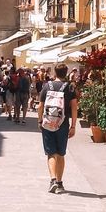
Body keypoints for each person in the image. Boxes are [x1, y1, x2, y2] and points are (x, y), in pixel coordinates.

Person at [38, 63, 78, 195]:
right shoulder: (70, 87)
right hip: (63, 124)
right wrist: (73, 126)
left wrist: (40, 120)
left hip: (48, 122)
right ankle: (60, 182)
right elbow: (74, 107)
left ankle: (53, 180)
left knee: (51, 153)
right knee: (61, 153)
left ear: (55, 72)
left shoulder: (47, 86)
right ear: (66, 73)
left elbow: (40, 106)